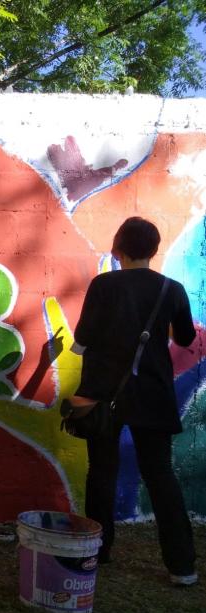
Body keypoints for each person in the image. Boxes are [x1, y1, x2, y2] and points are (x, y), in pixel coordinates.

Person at [72, 216, 198, 586]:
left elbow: (81, 343)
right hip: (153, 393)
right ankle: (182, 567)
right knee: (160, 475)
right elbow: (186, 338)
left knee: (102, 472)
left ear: (117, 248)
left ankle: (98, 551)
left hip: (104, 393)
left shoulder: (103, 285)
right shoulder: (171, 289)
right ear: (155, 250)